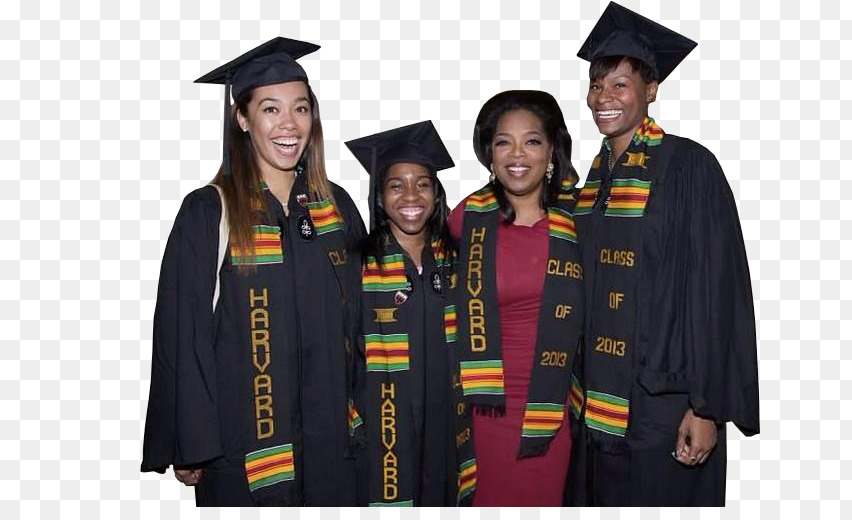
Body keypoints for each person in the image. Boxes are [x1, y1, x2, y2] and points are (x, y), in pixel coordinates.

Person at [140, 37, 367, 506]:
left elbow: (363, 323)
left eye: (301, 109)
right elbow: (184, 335)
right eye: (270, 109)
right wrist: (192, 441)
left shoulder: (336, 208)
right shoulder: (209, 212)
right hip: (244, 449)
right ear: (241, 119)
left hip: (333, 449)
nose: (289, 124)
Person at [566, 2, 760, 506]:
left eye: (619, 85)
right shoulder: (589, 185)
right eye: (596, 85)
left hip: (663, 404)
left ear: (651, 90)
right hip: (593, 405)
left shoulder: (687, 167)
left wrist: (707, 407)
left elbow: (717, 291)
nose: (603, 98)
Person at [448, 90, 583, 506]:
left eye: (532, 141)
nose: (517, 154)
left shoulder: (581, 221)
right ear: (489, 153)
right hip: (482, 412)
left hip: (551, 411)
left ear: (552, 151)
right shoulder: (464, 220)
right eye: (503, 141)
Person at [345, 120, 475, 506]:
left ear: (436, 193)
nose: (410, 195)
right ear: (380, 198)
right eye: (395, 185)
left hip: (447, 419)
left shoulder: (458, 261)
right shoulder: (356, 266)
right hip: (383, 418)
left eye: (422, 183)